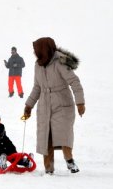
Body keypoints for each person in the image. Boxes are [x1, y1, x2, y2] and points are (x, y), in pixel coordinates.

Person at [23, 37, 85, 175]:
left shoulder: (60, 63)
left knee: (64, 133)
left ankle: (69, 160)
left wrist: (80, 102)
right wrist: (29, 106)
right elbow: (37, 87)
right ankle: (48, 168)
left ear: (44, 49)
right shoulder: (38, 65)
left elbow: (74, 82)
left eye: (37, 49)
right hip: (45, 105)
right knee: (47, 137)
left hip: (62, 103)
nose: (35, 52)